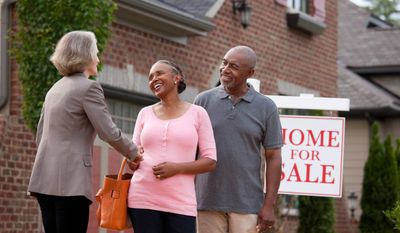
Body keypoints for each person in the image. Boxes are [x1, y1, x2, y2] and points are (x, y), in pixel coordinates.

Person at [27, 30, 142, 233]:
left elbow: (40, 135)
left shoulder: (54, 89)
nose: (98, 58)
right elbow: (108, 131)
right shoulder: (89, 88)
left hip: (44, 178)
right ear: (85, 55)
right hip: (70, 181)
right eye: (96, 52)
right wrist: (134, 153)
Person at [195, 45, 283, 233]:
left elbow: (273, 157)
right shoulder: (202, 102)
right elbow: (191, 150)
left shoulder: (266, 107)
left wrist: (269, 205)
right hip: (206, 200)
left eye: (233, 66)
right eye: (224, 63)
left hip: (247, 203)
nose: (225, 69)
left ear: (250, 73)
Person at [127, 60, 217, 233]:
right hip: (142, 198)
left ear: (177, 78)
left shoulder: (198, 114)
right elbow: (133, 160)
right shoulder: (144, 113)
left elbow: (210, 161)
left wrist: (177, 168)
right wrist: (132, 158)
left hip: (181, 202)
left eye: (159, 73)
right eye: (150, 77)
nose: (154, 79)